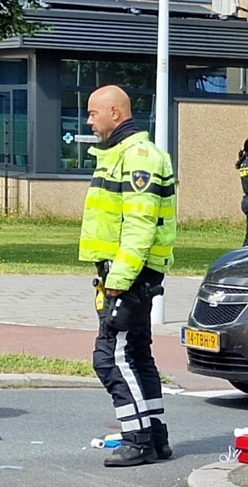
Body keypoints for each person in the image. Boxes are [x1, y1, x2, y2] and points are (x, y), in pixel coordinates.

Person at [78, 85, 176, 467]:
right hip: (129, 271)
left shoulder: (138, 158)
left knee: (109, 356)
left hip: (129, 274)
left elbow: (140, 225)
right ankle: (154, 436)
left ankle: (138, 439)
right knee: (136, 353)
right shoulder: (118, 156)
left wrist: (118, 279)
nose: (89, 121)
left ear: (115, 113)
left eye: (93, 113)